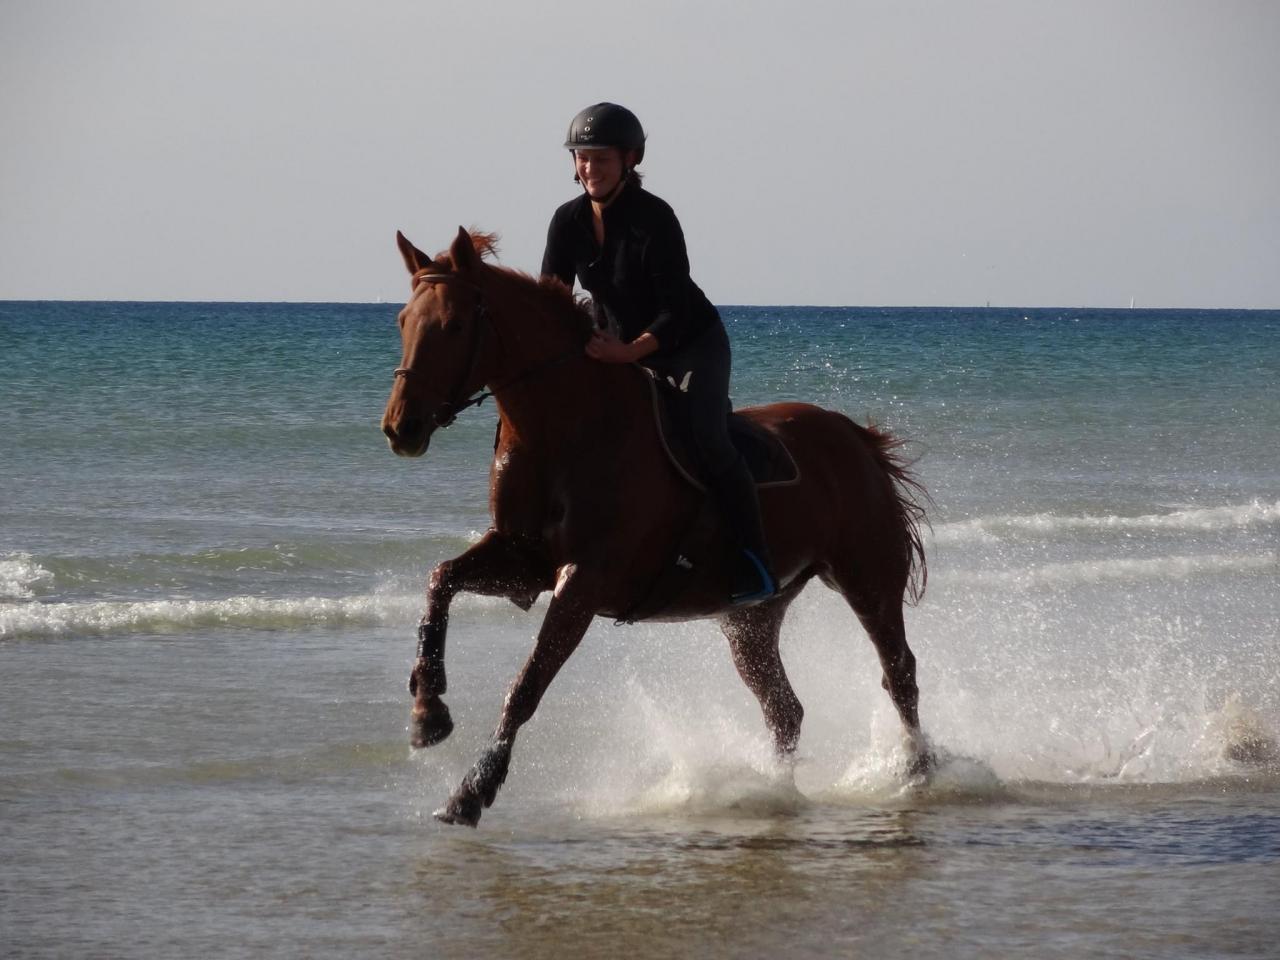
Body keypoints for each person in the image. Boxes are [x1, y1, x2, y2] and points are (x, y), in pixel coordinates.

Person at [541, 102, 776, 604]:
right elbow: (552, 300)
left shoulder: (655, 219)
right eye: (582, 158)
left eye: (601, 159)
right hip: (618, 347)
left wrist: (630, 353)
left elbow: (673, 311)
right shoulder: (567, 221)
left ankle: (754, 562)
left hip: (690, 342)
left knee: (709, 441)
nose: (589, 169)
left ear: (630, 159)